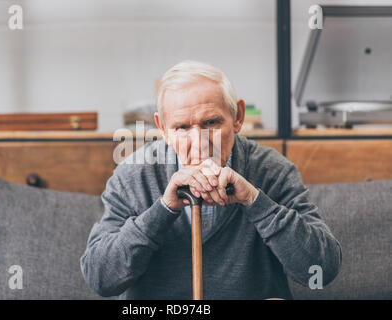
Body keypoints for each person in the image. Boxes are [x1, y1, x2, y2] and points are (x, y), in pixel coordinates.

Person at [80, 60, 342, 299]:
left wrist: (254, 200)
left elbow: (320, 272)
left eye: (212, 122)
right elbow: (100, 279)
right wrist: (163, 210)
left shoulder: (273, 170)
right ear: (162, 129)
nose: (200, 141)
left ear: (238, 117)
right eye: (182, 127)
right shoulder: (133, 175)